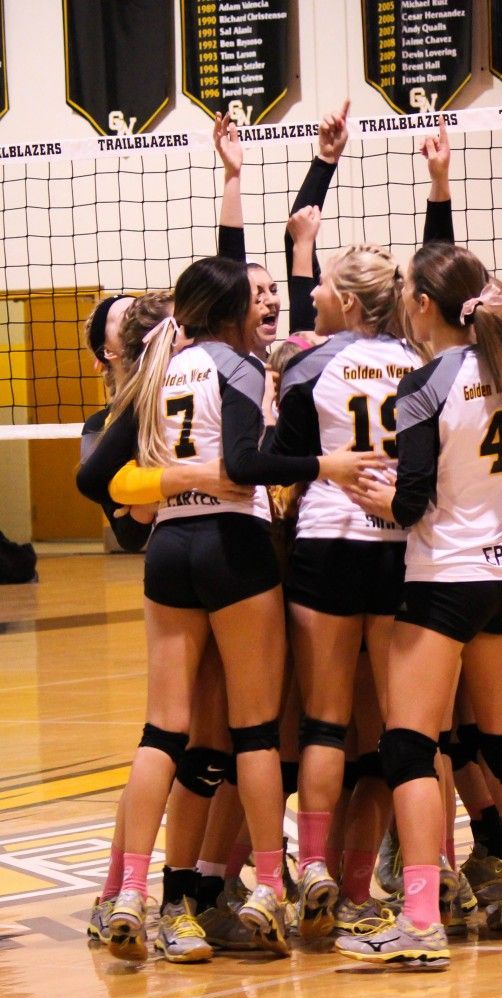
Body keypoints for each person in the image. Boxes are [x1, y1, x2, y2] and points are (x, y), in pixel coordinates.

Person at [77, 254, 381, 962]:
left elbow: (95, 477)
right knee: (252, 734)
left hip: (169, 550)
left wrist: (169, 477)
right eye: (256, 297)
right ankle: (270, 887)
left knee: (162, 731)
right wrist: (321, 467)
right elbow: (244, 465)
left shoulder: (157, 372)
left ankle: (128, 893)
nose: (266, 306)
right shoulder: (238, 368)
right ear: (232, 310)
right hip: (233, 548)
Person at [334, 241, 502, 970]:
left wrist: (387, 498)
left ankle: (418, 923)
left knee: (409, 747)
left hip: (442, 581)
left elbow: (411, 501)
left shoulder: (423, 383)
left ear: (421, 305)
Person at [270, 238, 422, 940]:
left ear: (351, 301)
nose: (313, 299)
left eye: (324, 288)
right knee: (404, 730)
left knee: (324, 722)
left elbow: (279, 462)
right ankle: (428, 873)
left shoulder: (309, 365)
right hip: (398, 551)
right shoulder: (422, 367)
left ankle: (318, 867)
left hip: (327, 545)